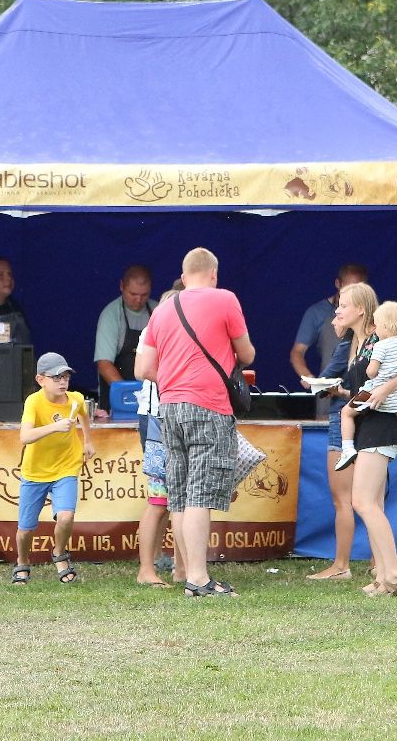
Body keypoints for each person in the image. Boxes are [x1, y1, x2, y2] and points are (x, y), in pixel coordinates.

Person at [135, 248, 255, 597]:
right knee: (200, 493)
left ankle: (188, 572)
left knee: (179, 494)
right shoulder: (225, 299)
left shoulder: (162, 309)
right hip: (209, 406)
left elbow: (144, 368)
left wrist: (176, 380)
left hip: (169, 408)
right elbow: (247, 354)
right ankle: (198, 579)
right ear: (214, 274)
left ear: (184, 276)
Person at [331, 281, 397, 596]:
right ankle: (383, 576)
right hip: (369, 425)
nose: (337, 310)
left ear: (361, 310)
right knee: (372, 504)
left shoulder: (382, 337)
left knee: (363, 502)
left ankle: (394, 575)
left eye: (343, 305)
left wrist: (385, 389)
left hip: (382, 426)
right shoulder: (359, 343)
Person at [10, 352, 94, 585]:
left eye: (66, 377)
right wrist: (55, 427)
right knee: (25, 529)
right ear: (41, 380)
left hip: (66, 467)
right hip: (35, 472)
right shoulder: (34, 402)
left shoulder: (75, 399)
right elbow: (25, 436)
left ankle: (59, 554)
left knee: (66, 517)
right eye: (56, 378)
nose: (62, 382)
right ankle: (22, 561)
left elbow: (84, 415)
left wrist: (88, 441)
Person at [133, 283, 185, 589]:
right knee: (160, 499)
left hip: (180, 418)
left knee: (181, 499)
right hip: (158, 422)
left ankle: (181, 567)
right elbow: (142, 370)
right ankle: (147, 568)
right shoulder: (153, 331)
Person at [335, 300, 397, 482]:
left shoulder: (380, 346)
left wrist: (373, 370)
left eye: (378, 325)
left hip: (373, 394)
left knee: (346, 413)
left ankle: (347, 449)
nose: (375, 329)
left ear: (386, 326)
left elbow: (371, 372)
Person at [292, 263, 368, 421]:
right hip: (329, 399)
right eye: (348, 288)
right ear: (338, 284)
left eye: (357, 289)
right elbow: (297, 352)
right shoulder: (317, 313)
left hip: (364, 398)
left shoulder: (373, 316)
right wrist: (308, 377)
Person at [94, 265, 158, 411]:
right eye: (133, 294)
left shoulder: (158, 311)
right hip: (117, 401)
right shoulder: (111, 315)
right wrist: (127, 395)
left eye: (144, 294)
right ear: (121, 286)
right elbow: (104, 364)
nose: (138, 300)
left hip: (153, 400)